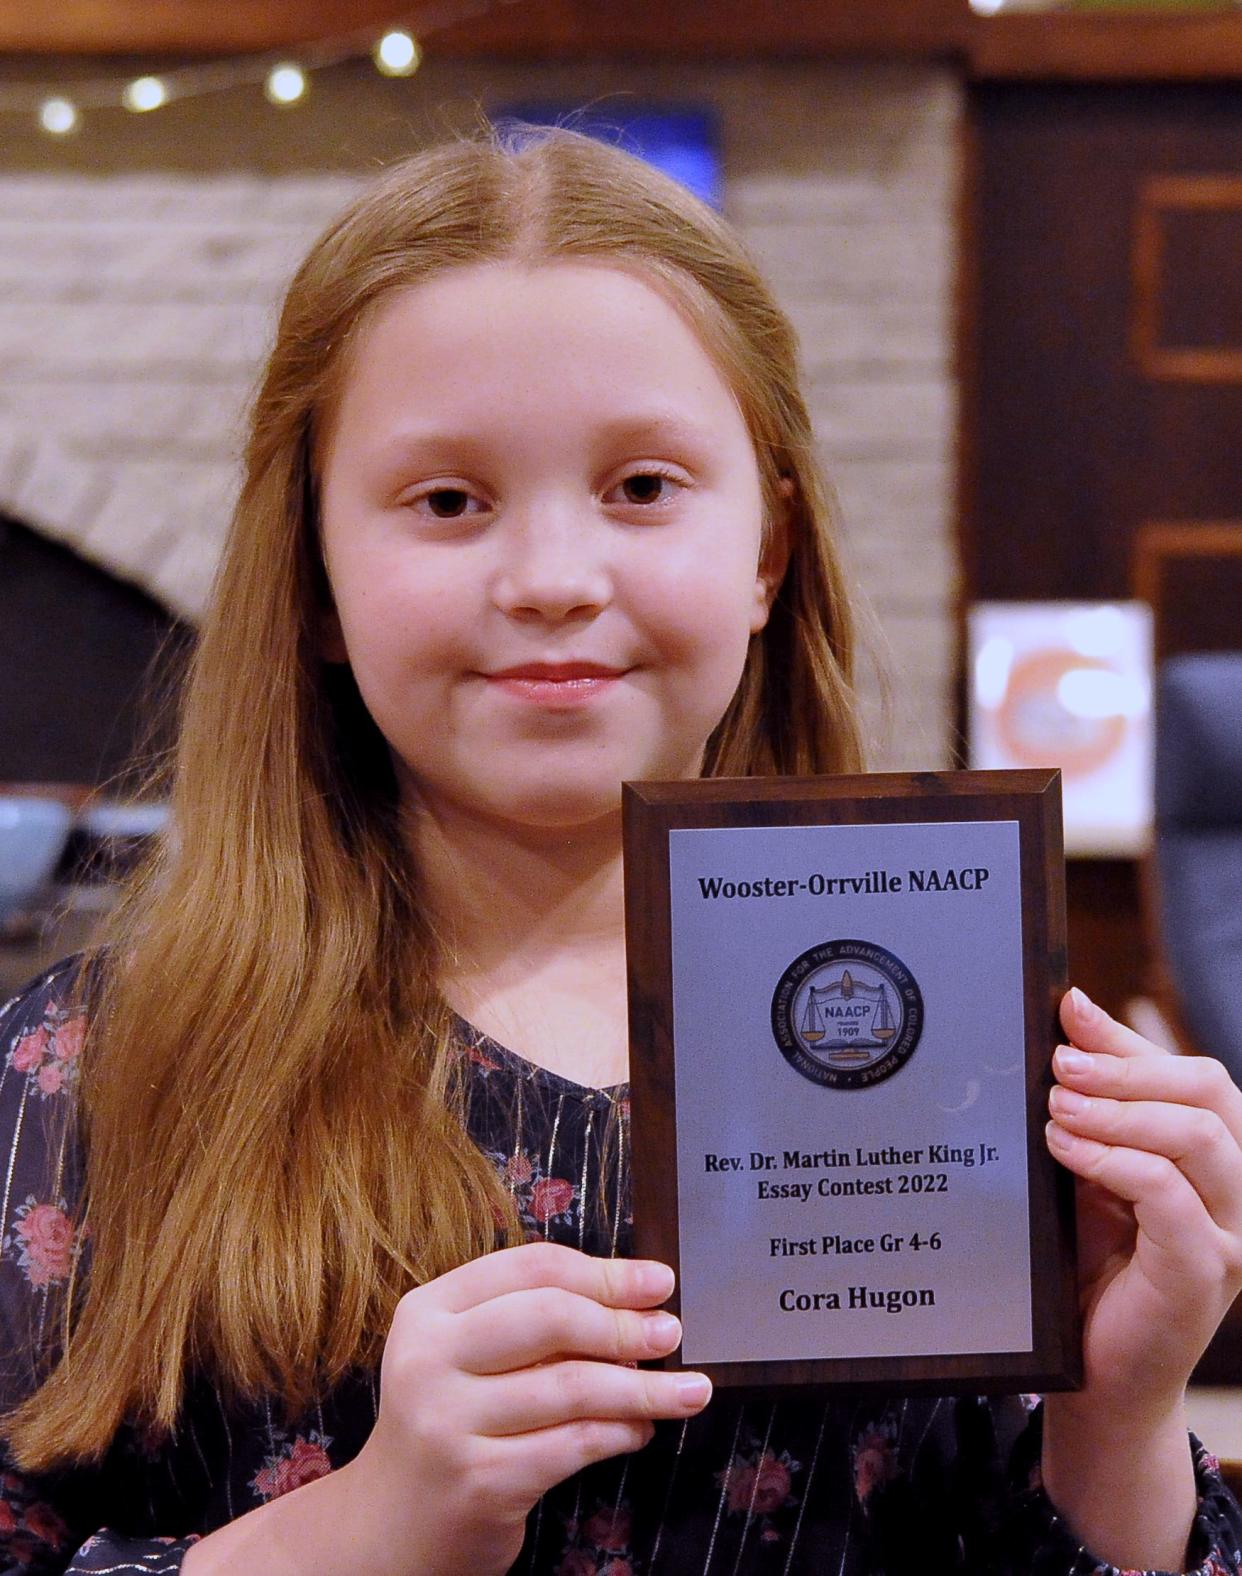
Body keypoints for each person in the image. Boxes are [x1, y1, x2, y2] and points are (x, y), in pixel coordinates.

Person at [1, 126, 1241, 1576]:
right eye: (447, 502)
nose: (549, 583)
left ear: (767, 554)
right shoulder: (86, 1079)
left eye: (642, 487)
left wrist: (1121, 1406)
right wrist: (371, 1527)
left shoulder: (967, 1054)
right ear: (316, 580)